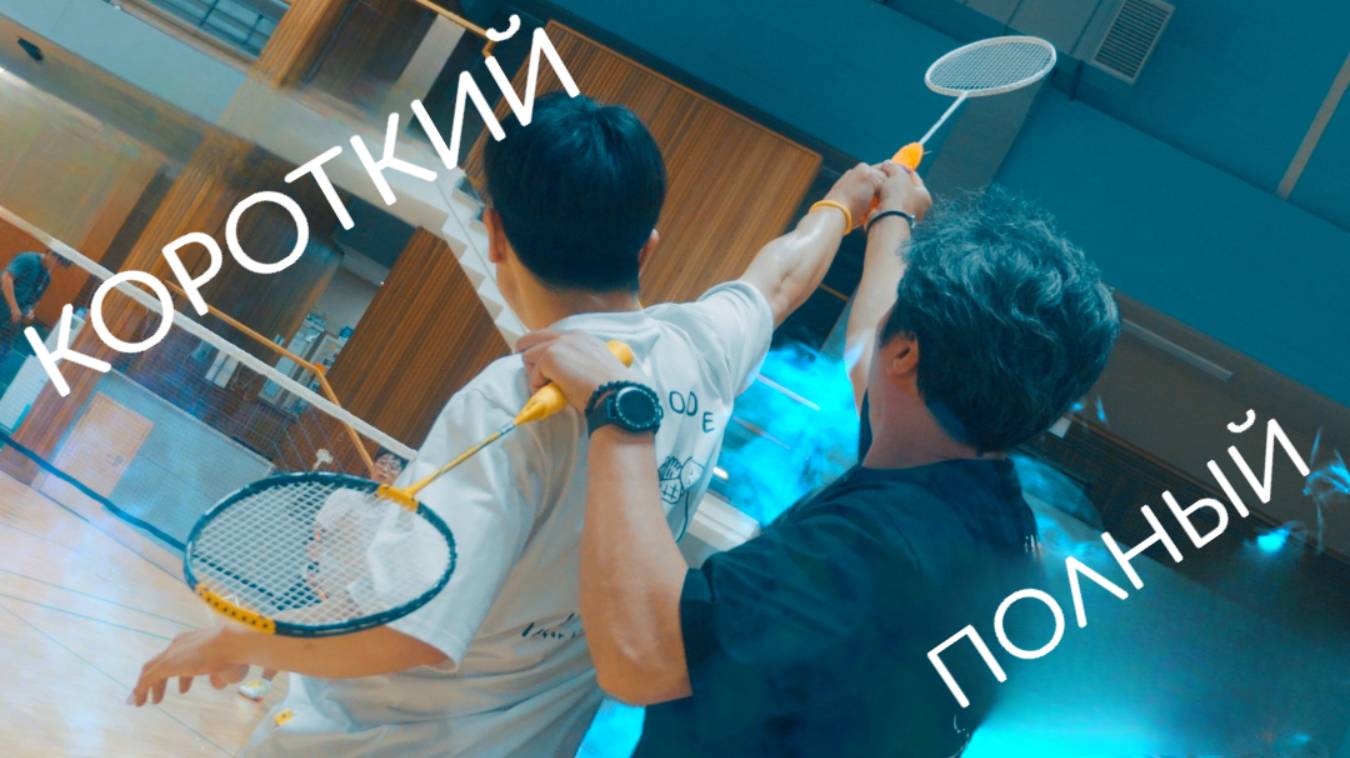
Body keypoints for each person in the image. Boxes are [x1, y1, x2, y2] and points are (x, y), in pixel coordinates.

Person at [129, 93, 886, 756]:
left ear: (494, 235)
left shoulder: (508, 400)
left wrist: (232, 639)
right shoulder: (698, 353)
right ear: (646, 246)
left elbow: (409, 631)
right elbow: (780, 279)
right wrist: (844, 205)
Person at [520, 164, 1121, 756]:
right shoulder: (980, 507)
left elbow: (644, 655)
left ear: (906, 353)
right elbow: (875, 353)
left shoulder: (875, 546)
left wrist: (621, 410)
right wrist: (892, 217)